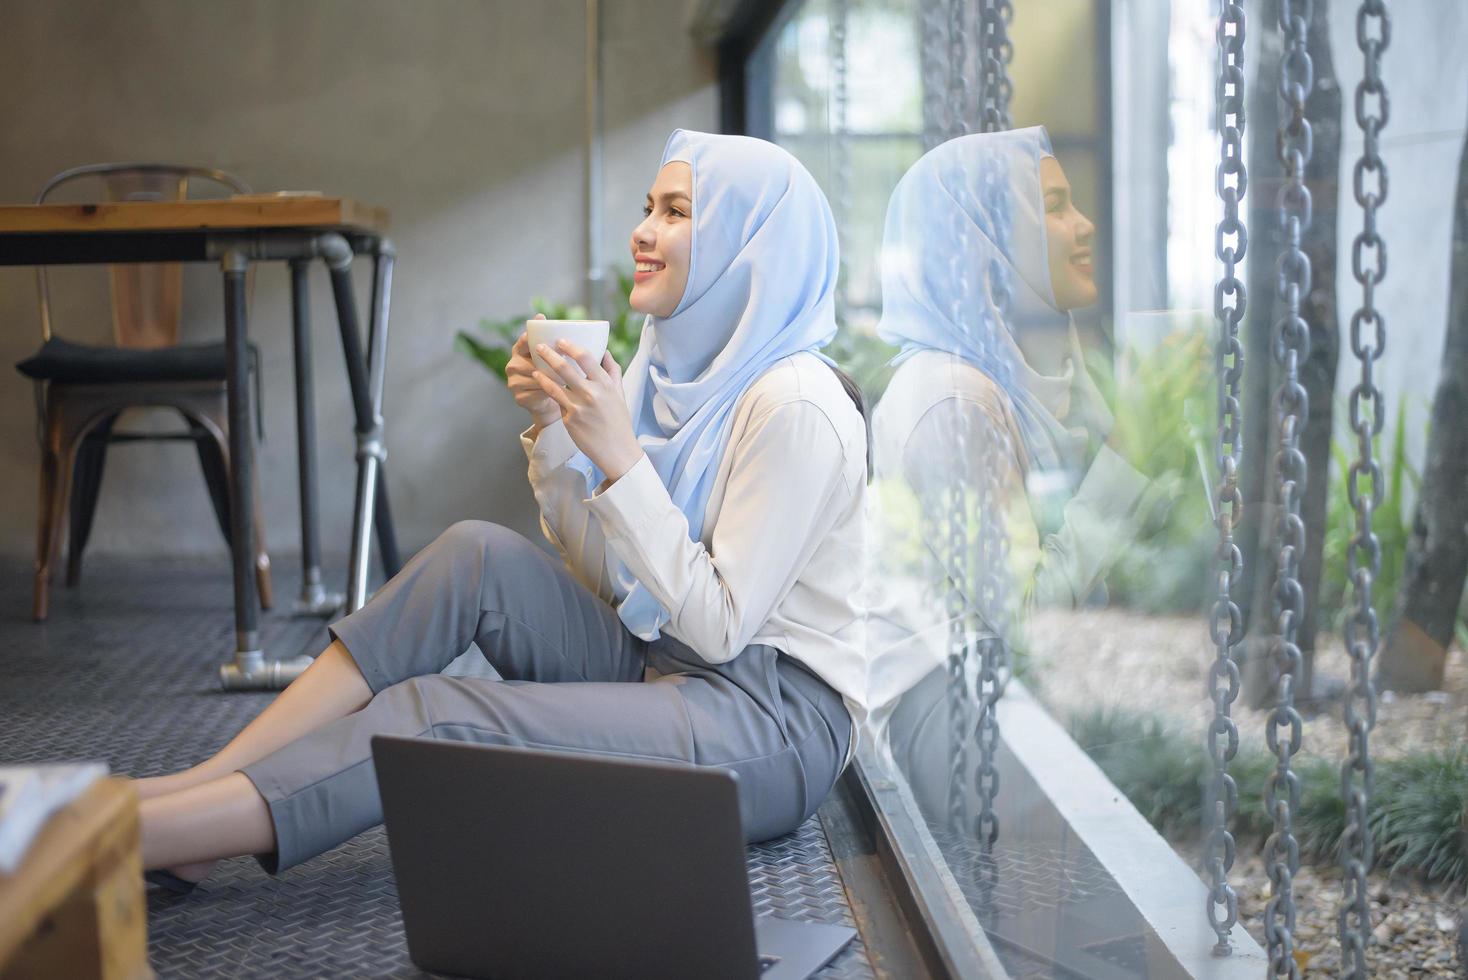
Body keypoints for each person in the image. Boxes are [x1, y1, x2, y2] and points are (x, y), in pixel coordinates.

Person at [133, 129, 869, 891]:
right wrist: (556, 431)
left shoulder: (795, 407)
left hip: (766, 720)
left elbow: (718, 628)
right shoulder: (676, 371)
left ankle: (152, 832)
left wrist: (619, 459)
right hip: (665, 652)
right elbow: (615, 583)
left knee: (439, 712)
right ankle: (209, 784)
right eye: (649, 206)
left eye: (678, 212)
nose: (643, 232)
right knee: (472, 554)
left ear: (749, 245)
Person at [861, 127, 1173, 825]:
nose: (1084, 223)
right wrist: (1131, 460)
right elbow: (1022, 621)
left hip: (957, 714)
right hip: (948, 740)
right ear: (986, 238)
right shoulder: (957, 399)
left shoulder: (975, 379)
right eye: (1056, 205)